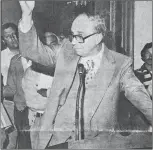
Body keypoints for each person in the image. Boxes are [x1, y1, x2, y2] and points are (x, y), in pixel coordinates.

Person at [18, 1, 152, 149]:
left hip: (96, 143)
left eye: (80, 36)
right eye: (72, 35)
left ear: (98, 37)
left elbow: (142, 99)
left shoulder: (120, 64)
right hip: (57, 141)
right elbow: (32, 51)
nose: (74, 42)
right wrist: (27, 14)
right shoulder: (65, 51)